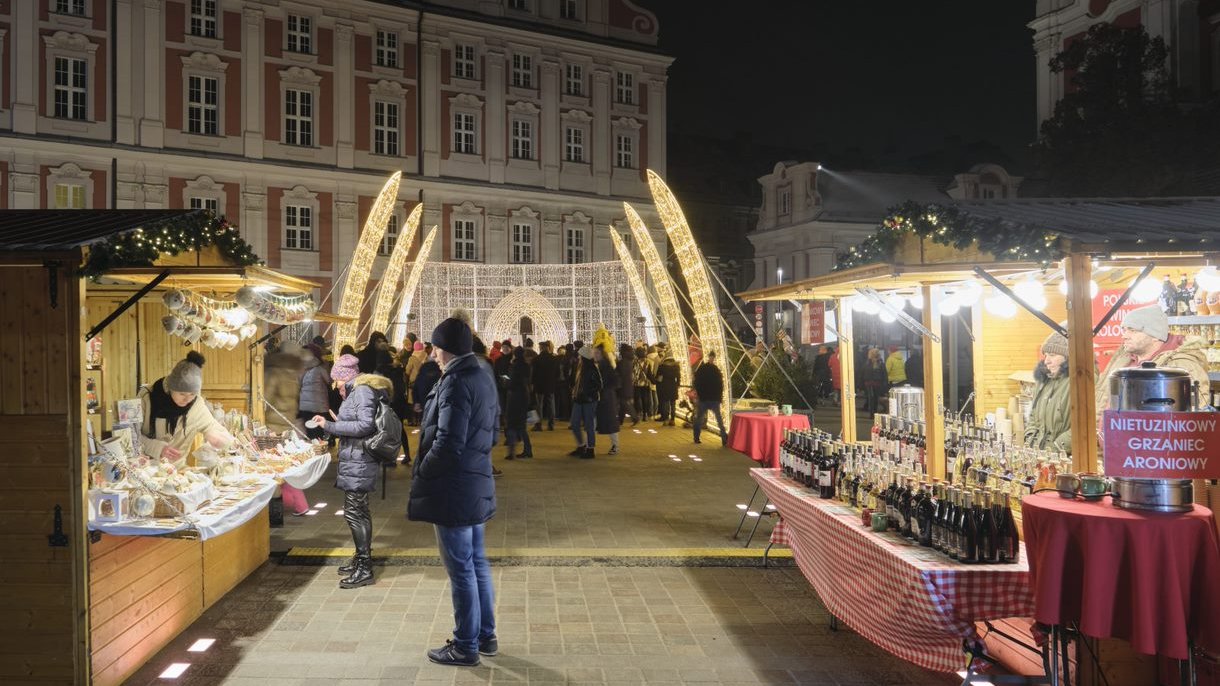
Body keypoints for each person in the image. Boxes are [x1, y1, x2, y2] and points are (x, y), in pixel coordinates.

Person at [408, 317, 499, 667]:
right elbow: (490, 433)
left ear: (444, 350)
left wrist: (424, 473)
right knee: (476, 563)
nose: (431, 353)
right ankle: (485, 636)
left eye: (434, 347)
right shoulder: (482, 375)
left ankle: (465, 645)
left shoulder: (456, 382)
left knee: (461, 569)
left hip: (454, 488)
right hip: (475, 481)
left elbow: (448, 442)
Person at [309, 354, 389, 589]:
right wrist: (337, 420)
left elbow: (365, 425)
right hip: (355, 459)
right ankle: (360, 559)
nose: (335, 386)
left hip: (360, 460)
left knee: (355, 513)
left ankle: (364, 568)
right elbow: (357, 420)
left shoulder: (362, 391)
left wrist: (331, 426)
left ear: (346, 377)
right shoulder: (356, 391)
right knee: (357, 511)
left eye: (337, 381)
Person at [1095, 305, 1210, 415]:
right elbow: (1100, 396)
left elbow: (1194, 414)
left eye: (1132, 330)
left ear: (1155, 335)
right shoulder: (1122, 358)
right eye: (1124, 330)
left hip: (1146, 434)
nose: (1124, 335)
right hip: (1107, 433)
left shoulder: (1182, 364)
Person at [138, 351, 234, 463]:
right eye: (182, 394)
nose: (187, 400)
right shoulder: (146, 398)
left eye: (192, 394)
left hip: (176, 472)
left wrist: (215, 436)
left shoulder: (196, 405)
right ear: (170, 388)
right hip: (144, 469)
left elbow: (213, 427)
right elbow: (129, 436)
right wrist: (158, 448)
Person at [264, 343, 310, 516]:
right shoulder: (293, 375)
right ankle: (300, 504)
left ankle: (284, 505)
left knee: (274, 469)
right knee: (285, 468)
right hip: (288, 425)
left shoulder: (273, 373)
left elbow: (265, 400)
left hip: (272, 427)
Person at [1025, 331, 1072, 453]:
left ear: (1068, 357)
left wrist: (1055, 448)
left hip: (1065, 460)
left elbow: (1084, 427)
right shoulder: (1043, 381)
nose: (1046, 361)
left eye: (1052, 355)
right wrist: (1030, 440)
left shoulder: (1079, 382)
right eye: (1045, 355)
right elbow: (1033, 416)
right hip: (1040, 455)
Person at [569, 344, 601, 459]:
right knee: (574, 423)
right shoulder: (580, 368)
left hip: (588, 400)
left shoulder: (592, 369)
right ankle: (581, 445)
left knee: (589, 425)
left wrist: (587, 394)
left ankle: (590, 448)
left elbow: (598, 385)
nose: (578, 357)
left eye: (580, 356)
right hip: (579, 398)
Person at [503, 347, 534, 460]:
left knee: (511, 424)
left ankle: (511, 452)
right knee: (521, 426)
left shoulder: (514, 366)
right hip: (524, 396)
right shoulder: (526, 366)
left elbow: (510, 383)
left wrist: (505, 381)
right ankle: (528, 449)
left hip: (514, 397)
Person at [691, 352, 728, 445]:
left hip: (706, 398)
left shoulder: (703, 369)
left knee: (700, 418)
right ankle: (724, 438)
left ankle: (696, 437)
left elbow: (696, 381)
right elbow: (720, 384)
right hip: (711, 398)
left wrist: (699, 393)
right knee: (717, 419)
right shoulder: (715, 370)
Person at [299, 343, 332, 441]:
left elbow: (299, 383)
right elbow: (329, 381)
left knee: (309, 432)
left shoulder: (303, 369)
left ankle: (313, 450)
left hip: (305, 406)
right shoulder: (320, 368)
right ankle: (319, 449)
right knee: (318, 433)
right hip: (319, 407)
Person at [597, 342, 622, 455]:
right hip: (606, 396)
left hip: (607, 397)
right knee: (603, 421)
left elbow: (615, 381)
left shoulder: (604, 366)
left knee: (610, 422)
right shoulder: (605, 365)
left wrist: (604, 387)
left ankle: (615, 445)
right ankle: (588, 444)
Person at [531, 341, 558, 431]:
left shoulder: (536, 359)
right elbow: (557, 373)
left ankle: (538, 425)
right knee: (551, 404)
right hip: (550, 384)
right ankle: (551, 424)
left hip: (539, 385)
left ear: (541, 348)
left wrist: (532, 383)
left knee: (539, 405)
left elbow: (533, 373)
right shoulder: (554, 359)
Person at [656, 351, 681, 426]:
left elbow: (658, 377)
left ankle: (666, 419)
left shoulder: (662, 366)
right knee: (673, 403)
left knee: (666, 402)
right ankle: (672, 420)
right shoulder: (676, 366)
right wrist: (678, 384)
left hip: (665, 386)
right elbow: (678, 377)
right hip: (673, 386)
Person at [632, 347, 654, 425]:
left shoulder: (634, 362)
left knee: (637, 399)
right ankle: (645, 415)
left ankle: (638, 414)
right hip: (645, 383)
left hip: (636, 384)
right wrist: (653, 381)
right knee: (645, 399)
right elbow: (649, 374)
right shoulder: (647, 362)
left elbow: (633, 374)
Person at [862, 348, 888, 414]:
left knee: (871, 398)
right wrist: (885, 384)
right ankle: (874, 412)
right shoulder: (881, 363)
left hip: (868, 383)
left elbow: (863, 373)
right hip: (877, 382)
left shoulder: (867, 363)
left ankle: (872, 412)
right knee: (875, 398)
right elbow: (884, 374)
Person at [617, 343, 635, 425]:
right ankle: (620, 420)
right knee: (623, 403)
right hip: (628, 385)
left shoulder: (623, 362)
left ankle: (635, 417)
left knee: (624, 403)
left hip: (623, 385)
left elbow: (621, 374)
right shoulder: (629, 360)